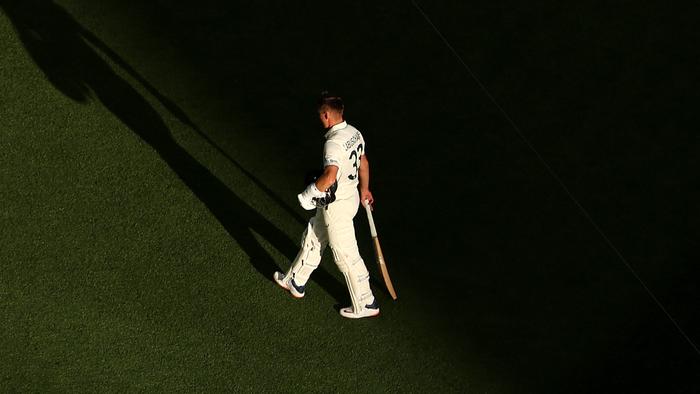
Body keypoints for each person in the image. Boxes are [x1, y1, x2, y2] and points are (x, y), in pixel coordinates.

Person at [273, 92, 379, 319]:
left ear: (326, 115)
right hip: (348, 197)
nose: (319, 119)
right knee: (314, 236)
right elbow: (364, 162)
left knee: (345, 254)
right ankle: (295, 280)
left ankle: (366, 301)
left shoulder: (333, 143)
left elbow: (330, 176)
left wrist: (307, 196)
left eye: (320, 116)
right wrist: (365, 189)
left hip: (337, 206)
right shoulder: (355, 133)